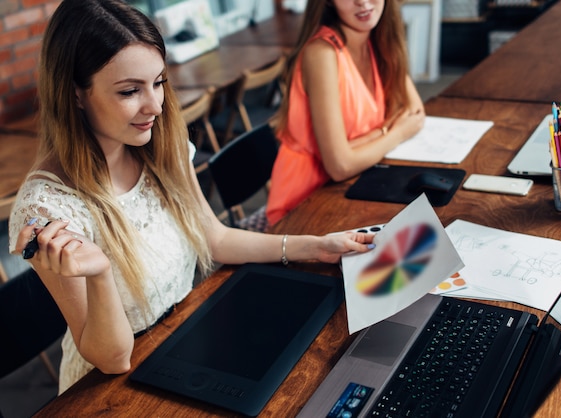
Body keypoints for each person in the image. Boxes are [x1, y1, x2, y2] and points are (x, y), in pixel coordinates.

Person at [8, 0, 374, 394]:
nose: (155, 105)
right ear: (76, 94)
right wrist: (99, 274)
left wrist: (317, 248)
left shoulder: (158, 145)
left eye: (159, 82)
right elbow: (112, 359)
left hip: (182, 342)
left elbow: (215, 239)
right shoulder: (48, 208)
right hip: (109, 390)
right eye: (130, 91)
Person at [265, 0, 426, 225]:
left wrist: (375, 137)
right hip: (305, 203)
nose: (362, 2)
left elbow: (415, 113)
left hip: (357, 180)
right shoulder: (322, 52)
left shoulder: (376, 39)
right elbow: (340, 166)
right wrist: (396, 133)